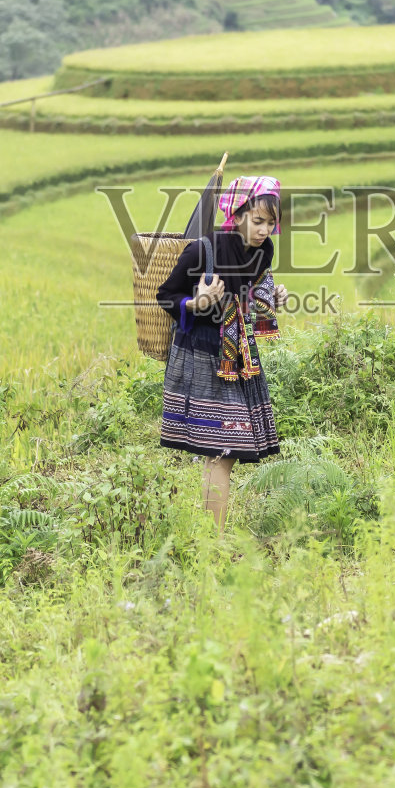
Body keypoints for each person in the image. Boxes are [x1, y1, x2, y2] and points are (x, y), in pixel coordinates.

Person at [156, 176, 289, 527]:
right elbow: (166, 295)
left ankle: (208, 539)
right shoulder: (202, 250)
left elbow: (250, 293)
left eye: (271, 223)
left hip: (238, 355)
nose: (265, 230)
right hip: (202, 354)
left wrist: (269, 297)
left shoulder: (264, 252)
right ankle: (211, 542)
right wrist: (197, 301)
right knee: (222, 452)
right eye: (258, 221)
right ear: (236, 214)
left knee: (221, 453)